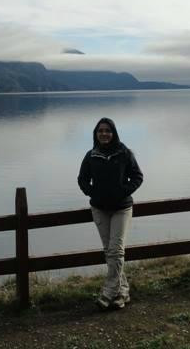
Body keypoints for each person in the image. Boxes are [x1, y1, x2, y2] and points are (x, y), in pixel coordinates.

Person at [77, 117, 144, 310]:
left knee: (116, 250)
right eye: (100, 131)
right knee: (111, 252)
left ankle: (107, 293)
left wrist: (123, 191)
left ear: (113, 133)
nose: (104, 134)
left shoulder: (124, 153)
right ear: (95, 134)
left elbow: (138, 176)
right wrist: (92, 192)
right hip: (99, 209)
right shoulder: (91, 155)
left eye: (107, 130)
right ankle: (122, 292)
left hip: (122, 209)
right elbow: (82, 179)